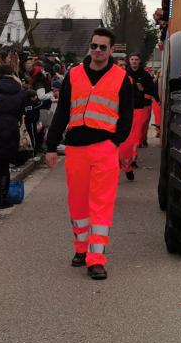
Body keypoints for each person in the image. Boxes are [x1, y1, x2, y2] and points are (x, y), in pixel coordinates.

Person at [45, 28, 134, 280]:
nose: (97, 50)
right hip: (76, 149)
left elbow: (127, 115)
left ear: (111, 50)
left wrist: (115, 142)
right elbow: (62, 112)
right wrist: (51, 146)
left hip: (104, 148)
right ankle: (81, 249)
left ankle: (96, 259)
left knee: (101, 204)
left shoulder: (121, 78)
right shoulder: (74, 75)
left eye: (103, 47)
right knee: (77, 202)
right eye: (94, 46)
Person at [0, 64, 29, 208]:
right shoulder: (19, 90)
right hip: (10, 127)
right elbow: (22, 111)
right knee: (4, 164)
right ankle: (2, 197)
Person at [118, 53, 158, 180]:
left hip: (140, 108)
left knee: (136, 136)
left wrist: (142, 90)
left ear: (140, 61)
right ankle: (125, 162)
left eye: (136, 59)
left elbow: (152, 90)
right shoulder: (124, 75)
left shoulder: (144, 75)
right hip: (123, 111)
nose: (134, 61)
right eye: (132, 59)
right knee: (124, 138)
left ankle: (130, 161)